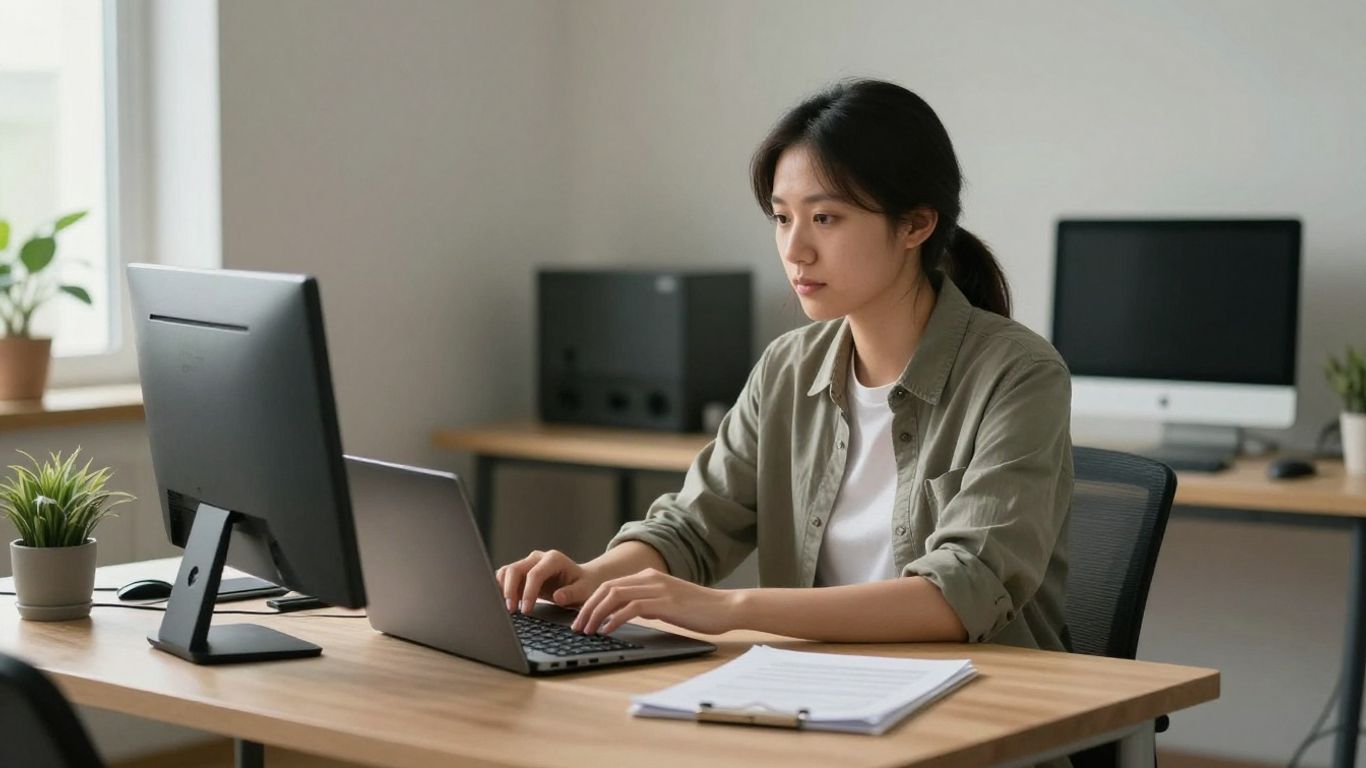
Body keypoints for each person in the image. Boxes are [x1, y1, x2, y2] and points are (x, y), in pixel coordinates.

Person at [497, 79, 1074, 652]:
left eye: (825, 219)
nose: (795, 249)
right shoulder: (787, 367)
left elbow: (963, 590)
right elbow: (694, 527)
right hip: (814, 698)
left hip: (980, 707)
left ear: (915, 225)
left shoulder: (1018, 373)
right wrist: (595, 575)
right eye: (781, 217)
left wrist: (728, 608)